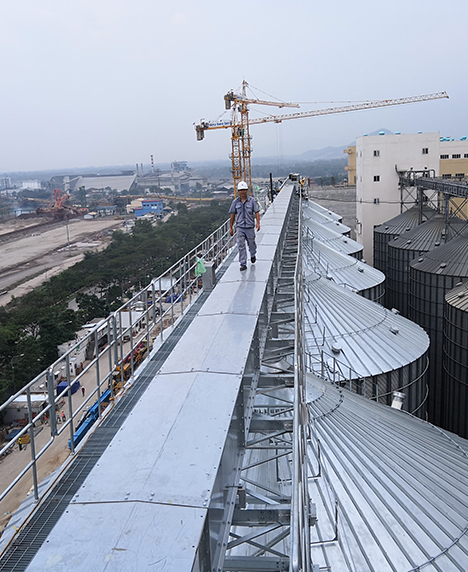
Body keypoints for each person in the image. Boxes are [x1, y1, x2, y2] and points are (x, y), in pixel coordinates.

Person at [229, 181, 261, 271]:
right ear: (238, 191)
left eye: (244, 190)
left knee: (251, 244)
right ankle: (243, 263)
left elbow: (257, 212)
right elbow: (232, 215)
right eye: (241, 190)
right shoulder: (235, 202)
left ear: (246, 190)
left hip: (250, 226)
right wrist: (231, 227)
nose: (242, 192)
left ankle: (252, 254)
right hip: (240, 227)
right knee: (241, 245)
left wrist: (258, 223)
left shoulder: (252, 201)